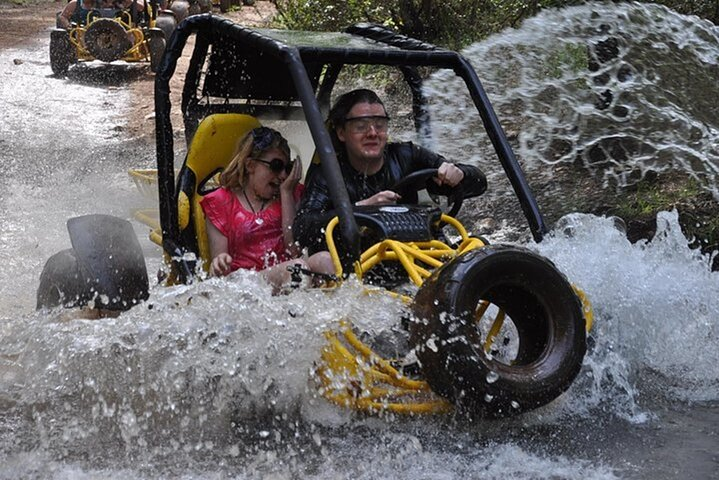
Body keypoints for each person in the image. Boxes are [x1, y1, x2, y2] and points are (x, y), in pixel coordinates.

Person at [293, 88, 487, 254]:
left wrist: (459, 173)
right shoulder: (327, 174)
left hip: (418, 253)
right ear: (341, 133)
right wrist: (360, 209)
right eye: (361, 126)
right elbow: (302, 229)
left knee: (480, 248)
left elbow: (479, 184)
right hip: (362, 263)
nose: (373, 133)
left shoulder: (407, 155)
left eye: (380, 125)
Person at [200, 126, 335, 292]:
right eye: (276, 166)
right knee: (297, 268)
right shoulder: (220, 202)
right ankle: (296, 316)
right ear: (250, 165)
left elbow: (293, 250)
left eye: (288, 167)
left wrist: (286, 194)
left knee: (325, 259)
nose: (283, 176)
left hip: (289, 272)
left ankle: (338, 315)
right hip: (244, 284)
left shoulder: (293, 193)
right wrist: (219, 263)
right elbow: (219, 274)